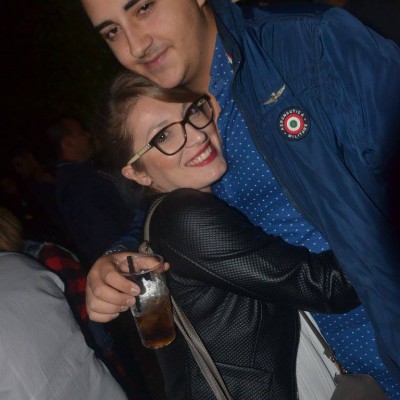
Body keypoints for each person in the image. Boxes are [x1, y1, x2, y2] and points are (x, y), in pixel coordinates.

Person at [80, 0, 400, 388]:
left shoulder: (305, 45)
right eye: (112, 31)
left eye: (144, 7)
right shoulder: (179, 113)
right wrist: (119, 256)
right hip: (346, 372)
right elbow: (173, 207)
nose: (135, 46)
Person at [92, 70, 360, 399]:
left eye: (192, 112)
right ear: (137, 172)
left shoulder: (174, 214)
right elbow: (328, 286)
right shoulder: (184, 217)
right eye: (163, 136)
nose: (195, 135)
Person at [0, 250, 128, 400]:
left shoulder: (39, 257)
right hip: (107, 387)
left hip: (99, 346)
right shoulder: (19, 261)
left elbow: (82, 307)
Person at [47, 117, 136, 268]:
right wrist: (129, 263)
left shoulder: (84, 173)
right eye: (81, 132)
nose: (88, 136)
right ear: (68, 143)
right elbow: (102, 234)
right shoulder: (76, 184)